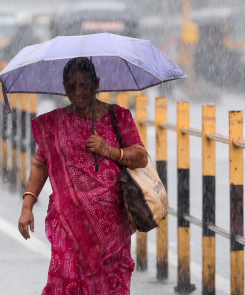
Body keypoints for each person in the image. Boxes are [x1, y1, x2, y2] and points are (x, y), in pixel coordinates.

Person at [18, 57, 149, 294]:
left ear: (96, 84)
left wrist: (108, 150)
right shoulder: (55, 123)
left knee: (111, 286)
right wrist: (27, 205)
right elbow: (41, 165)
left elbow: (141, 157)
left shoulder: (118, 117)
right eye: (70, 86)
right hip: (69, 223)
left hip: (113, 227)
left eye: (83, 85)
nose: (77, 92)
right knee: (66, 282)